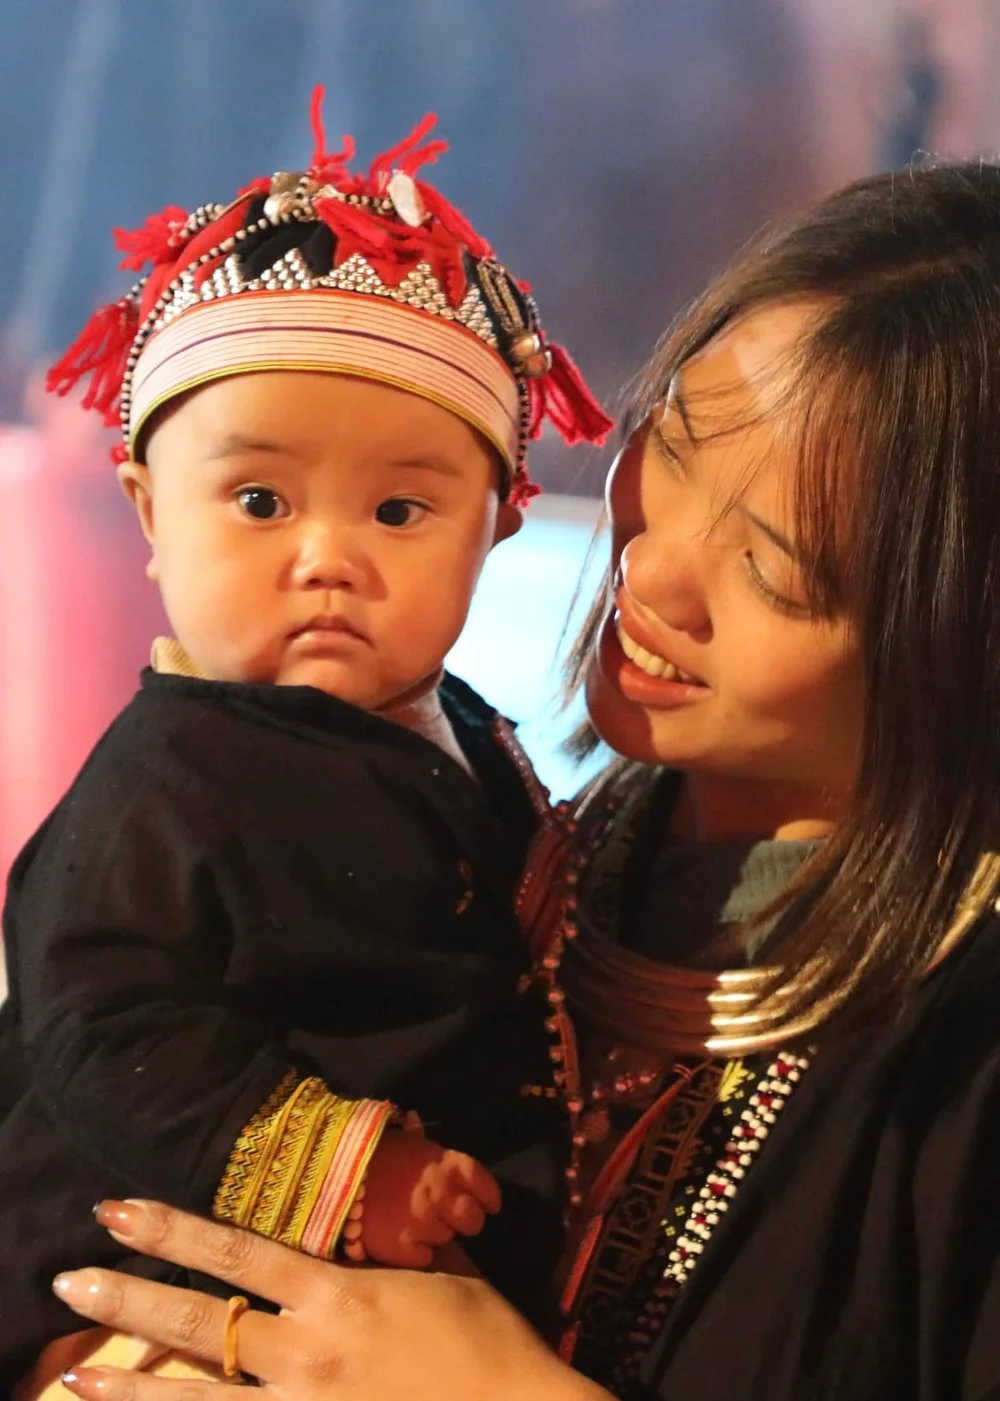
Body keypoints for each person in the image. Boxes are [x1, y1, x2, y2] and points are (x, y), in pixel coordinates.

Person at [50, 157, 1000, 1401]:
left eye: (777, 571)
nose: (651, 571)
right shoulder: (500, 830)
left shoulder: (962, 1063)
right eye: (674, 450)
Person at [0, 89, 613, 1388]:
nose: (328, 557)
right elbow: (106, 1022)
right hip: (176, 1292)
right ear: (148, 513)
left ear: (496, 529)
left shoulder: (465, 729)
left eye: (398, 511)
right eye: (260, 500)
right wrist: (349, 1173)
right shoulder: (168, 780)